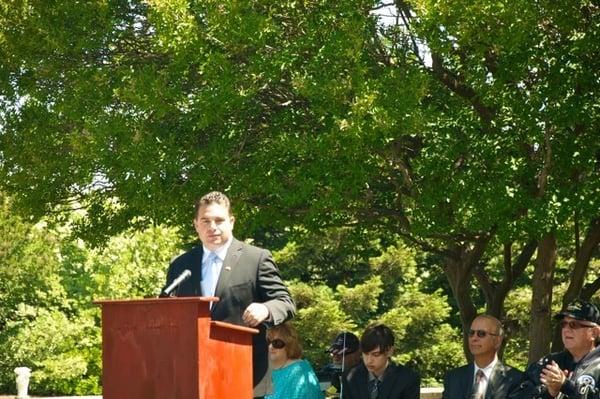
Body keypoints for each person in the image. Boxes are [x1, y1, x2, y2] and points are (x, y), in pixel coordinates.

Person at [162, 191, 296, 398]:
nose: (212, 227)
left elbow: (285, 302)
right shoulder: (181, 265)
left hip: (244, 375)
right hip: (192, 377)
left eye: (219, 220)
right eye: (205, 221)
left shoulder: (256, 258)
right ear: (196, 224)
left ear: (231, 222)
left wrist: (266, 309)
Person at [516, 299, 600, 399]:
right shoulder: (547, 363)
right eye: (563, 324)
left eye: (574, 325)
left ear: (594, 333)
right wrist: (549, 394)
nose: (566, 329)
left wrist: (565, 385)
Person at [442, 314, 523, 399]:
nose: (474, 338)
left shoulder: (516, 380)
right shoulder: (453, 377)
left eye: (481, 334)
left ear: (497, 340)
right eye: (471, 333)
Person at [343, 323, 420, 399]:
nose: (369, 360)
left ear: (389, 351)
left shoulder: (408, 379)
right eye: (365, 354)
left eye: (375, 354)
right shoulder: (350, 377)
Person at [264, 322, 324, 399]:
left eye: (277, 343)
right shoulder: (270, 370)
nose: (270, 346)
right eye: (268, 342)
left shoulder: (299, 370)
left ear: (289, 345)